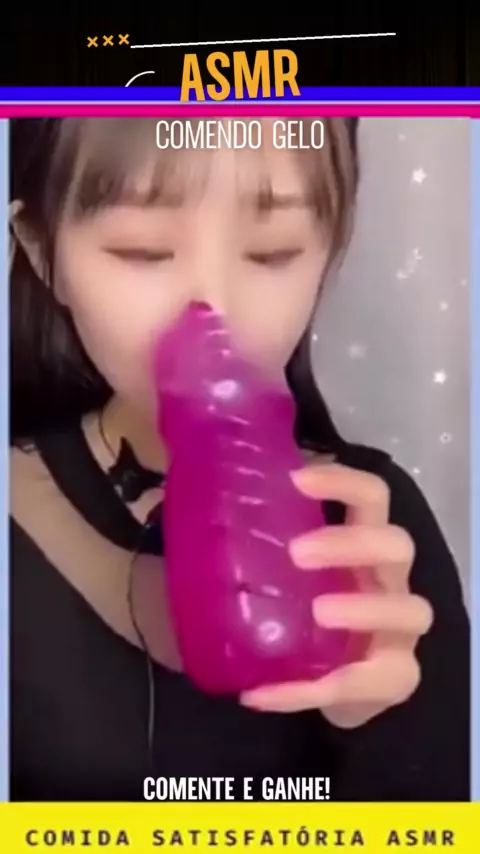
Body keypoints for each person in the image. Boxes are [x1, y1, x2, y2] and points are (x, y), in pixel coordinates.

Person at [9, 117, 469, 802]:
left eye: (272, 253)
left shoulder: (373, 530)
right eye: (142, 250)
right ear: (42, 251)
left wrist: (383, 723)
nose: (214, 311)